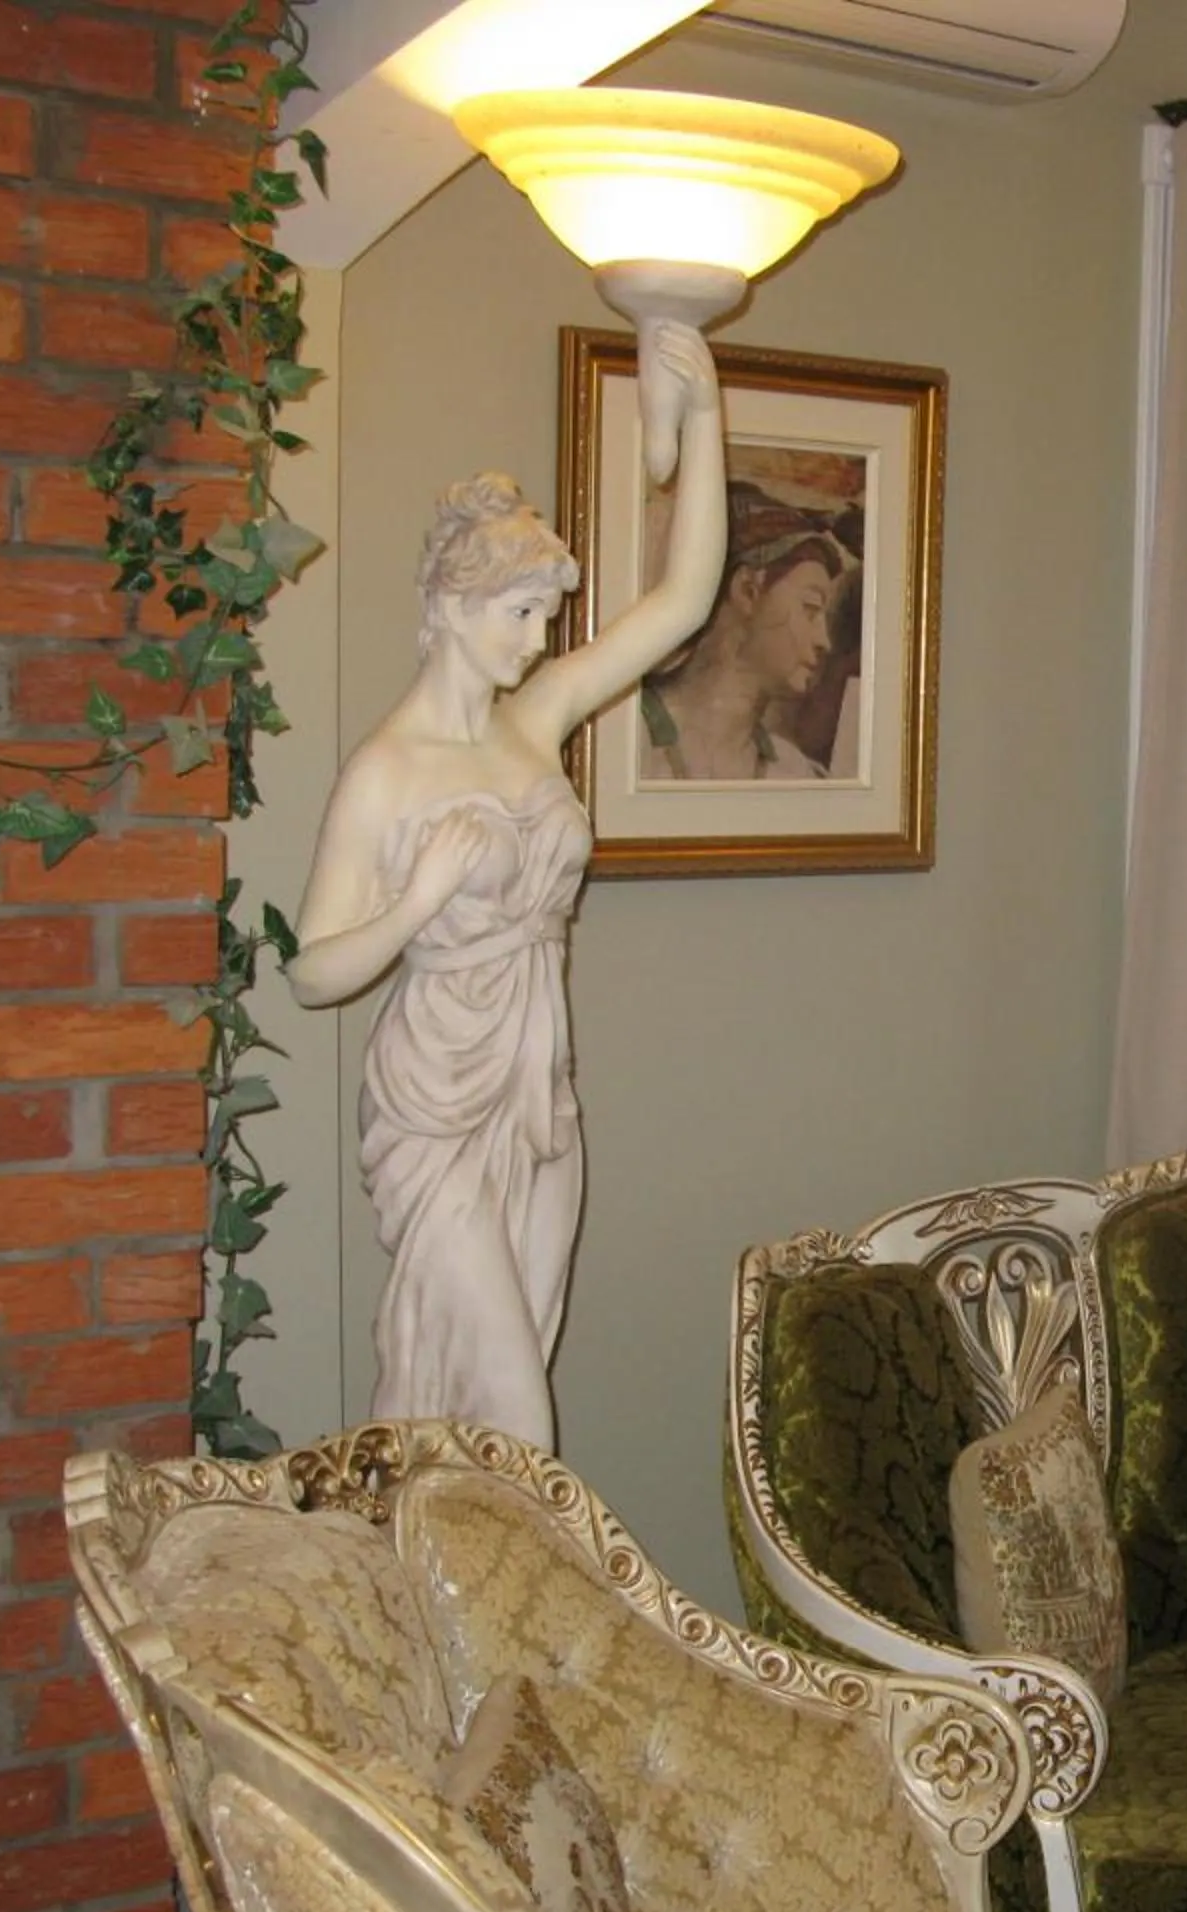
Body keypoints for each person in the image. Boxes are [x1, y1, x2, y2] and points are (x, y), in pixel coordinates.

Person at [283, 322, 728, 1451]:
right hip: (436, 1106)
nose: (538, 643)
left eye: (545, 618)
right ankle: (484, 1612)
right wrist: (417, 900)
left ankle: (456, 1603)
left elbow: (682, 602)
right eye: (519, 615)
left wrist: (706, 417)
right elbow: (312, 968)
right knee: (519, 1412)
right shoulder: (386, 774)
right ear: (450, 608)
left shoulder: (534, 722)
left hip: (542, 1091)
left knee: (501, 1393)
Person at [637, 482, 854, 781]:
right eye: (810, 607)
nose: (824, 641)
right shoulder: (629, 745)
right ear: (748, 591)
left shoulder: (794, 774)